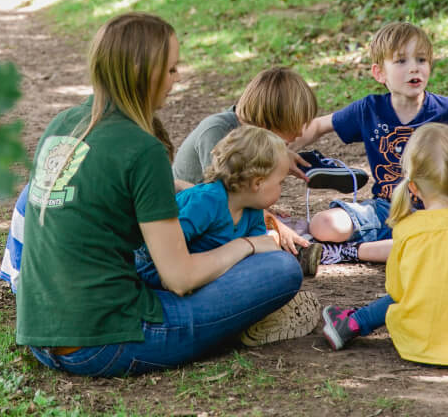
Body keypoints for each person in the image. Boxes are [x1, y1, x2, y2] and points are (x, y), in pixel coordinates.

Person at [16, 13, 303, 376]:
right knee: (280, 269)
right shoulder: (142, 148)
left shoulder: (63, 124)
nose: (176, 78)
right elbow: (179, 278)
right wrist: (249, 245)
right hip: (105, 340)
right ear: (141, 70)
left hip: (40, 333)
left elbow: (124, 192)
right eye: (170, 70)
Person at [317, 123, 448, 367]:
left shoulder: (407, 230)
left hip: (415, 345)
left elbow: (398, 291)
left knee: (414, 292)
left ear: (414, 188)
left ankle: (354, 323)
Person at [301, 21, 448, 268]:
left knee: (445, 237)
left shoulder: (445, 110)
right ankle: (389, 244)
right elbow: (318, 126)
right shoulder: (369, 110)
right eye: (401, 61)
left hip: (439, 208)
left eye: (422, 60)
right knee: (324, 224)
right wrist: (280, 148)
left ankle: (351, 252)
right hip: (389, 209)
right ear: (379, 73)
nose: (414, 68)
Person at [137, 125, 326, 345]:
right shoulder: (206, 201)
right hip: (158, 273)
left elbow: (252, 259)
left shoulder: (252, 210)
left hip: (208, 272)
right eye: (281, 182)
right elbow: (163, 247)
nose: (281, 188)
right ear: (258, 183)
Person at [172, 66, 364, 253]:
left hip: (221, 215)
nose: (299, 134)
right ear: (267, 123)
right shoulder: (217, 131)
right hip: (193, 219)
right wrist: (271, 220)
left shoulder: (251, 137)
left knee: (291, 229)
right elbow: (224, 195)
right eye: (293, 126)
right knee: (277, 234)